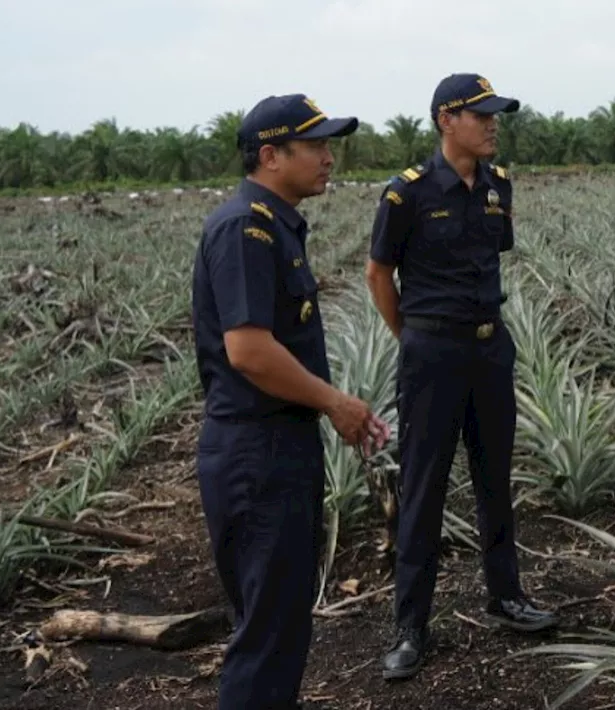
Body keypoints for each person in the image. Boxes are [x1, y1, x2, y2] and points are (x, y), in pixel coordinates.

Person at [191, 93, 391, 710]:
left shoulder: (274, 223)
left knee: (277, 626)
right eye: (318, 147)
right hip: (259, 454)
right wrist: (335, 402)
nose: (330, 159)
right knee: (267, 636)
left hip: (274, 448)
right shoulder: (246, 228)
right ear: (272, 155)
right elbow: (249, 350)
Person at [364, 73, 558, 681]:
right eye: (483, 115)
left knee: (493, 475)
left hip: (489, 349)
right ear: (447, 119)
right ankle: (411, 625)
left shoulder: (498, 185)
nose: (494, 123)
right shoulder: (408, 194)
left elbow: (492, 256)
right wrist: (416, 340)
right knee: (424, 487)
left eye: (496, 114)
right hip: (433, 355)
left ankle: (505, 596)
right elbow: (378, 275)